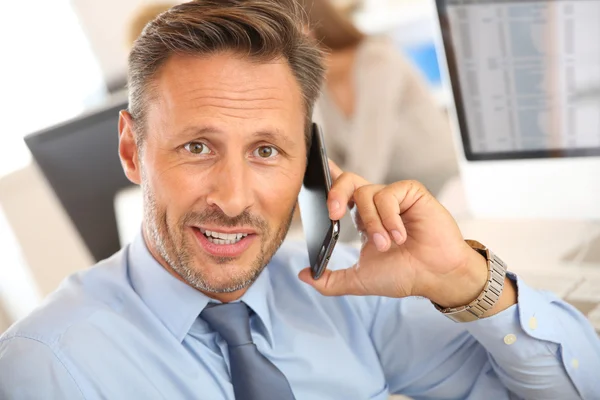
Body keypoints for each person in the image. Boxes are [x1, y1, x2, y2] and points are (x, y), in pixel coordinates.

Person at [0, 1, 598, 399]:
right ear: (133, 151)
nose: (233, 199)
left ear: (310, 163)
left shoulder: (344, 294)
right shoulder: (43, 368)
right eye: (198, 146)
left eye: (266, 151)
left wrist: (464, 278)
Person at [301, 0, 459, 195]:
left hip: (443, 186)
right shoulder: (318, 84)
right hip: (388, 193)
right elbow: (329, 165)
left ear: (306, 33)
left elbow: (365, 172)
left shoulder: (377, 60)